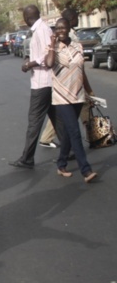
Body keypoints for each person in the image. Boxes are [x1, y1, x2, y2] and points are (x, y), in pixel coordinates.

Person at [45, 18, 97, 182]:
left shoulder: (78, 46)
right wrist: (53, 45)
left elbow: (82, 71)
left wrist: (90, 91)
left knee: (68, 132)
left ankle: (61, 163)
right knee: (75, 131)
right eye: (57, 28)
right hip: (61, 97)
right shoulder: (52, 49)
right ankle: (86, 170)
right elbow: (49, 64)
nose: (60, 30)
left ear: (68, 28)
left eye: (63, 27)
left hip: (78, 94)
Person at [10, 5, 62, 169]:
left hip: (43, 83)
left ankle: (27, 158)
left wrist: (30, 63)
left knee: (34, 122)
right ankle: (71, 149)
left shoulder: (42, 29)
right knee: (57, 120)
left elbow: (49, 53)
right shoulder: (39, 29)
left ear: (26, 17)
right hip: (43, 82)